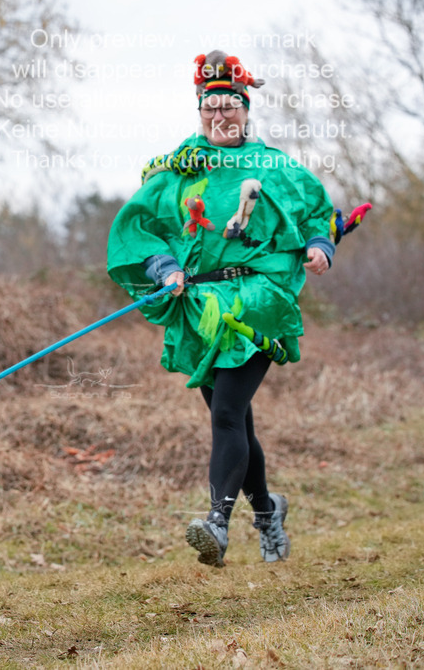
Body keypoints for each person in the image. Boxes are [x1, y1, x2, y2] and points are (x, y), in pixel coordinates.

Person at [106, 51, 336, 568]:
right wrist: (165, 267)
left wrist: (321, 246)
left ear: (246, 110)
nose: (220, 115)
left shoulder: (274, 166)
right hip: (202, 310)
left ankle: (217, 523)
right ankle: (268, 512)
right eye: (210, 107)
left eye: (229, 105)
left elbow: (319, 210)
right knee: (237, 423)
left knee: (228, 414)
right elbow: (139, 227)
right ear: (200, 111)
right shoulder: (179, 170)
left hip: (256, 303)